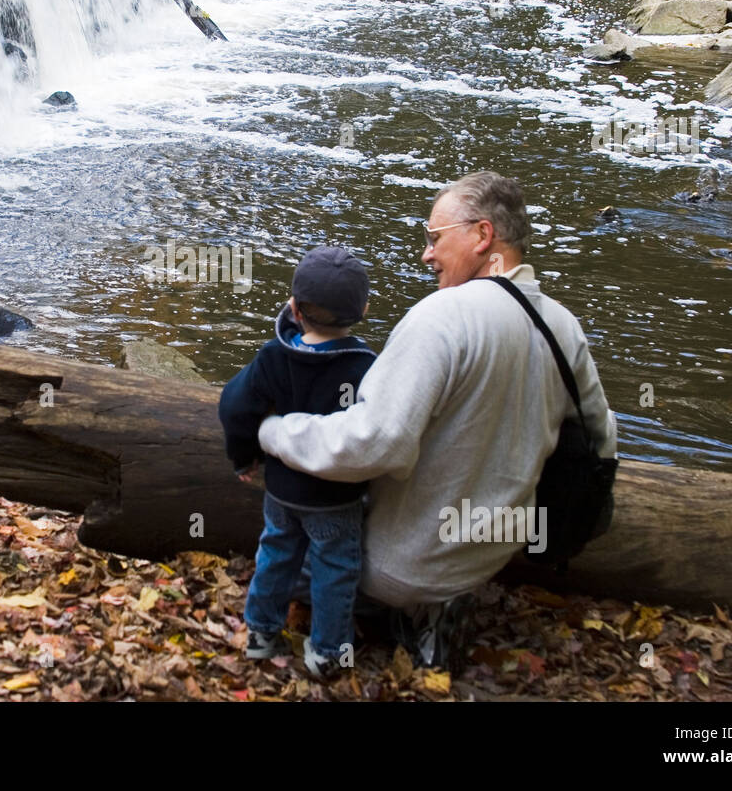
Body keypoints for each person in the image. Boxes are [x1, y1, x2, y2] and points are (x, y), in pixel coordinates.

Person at [256, 172, 617, 671]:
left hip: (401, 564)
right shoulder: (562, 325)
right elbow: (602, 437)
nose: (426, 254)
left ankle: (400, 611)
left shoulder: (442, 316)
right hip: (491, 552)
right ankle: (445, 600)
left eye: (435, 238)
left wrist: (274, 431)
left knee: (284, 539)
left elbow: (373, 443)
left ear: (482, 235)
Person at [218, 246, 376, 679]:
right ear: (363, 309)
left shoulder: (273, 356)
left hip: (282, 490)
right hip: (336, 498)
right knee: (336, 568)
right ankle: (327, 653)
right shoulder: (366, 366)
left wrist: (243, 456)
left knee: (276, 553)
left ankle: (260, 635)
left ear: (293, 307)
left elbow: (235, 405)